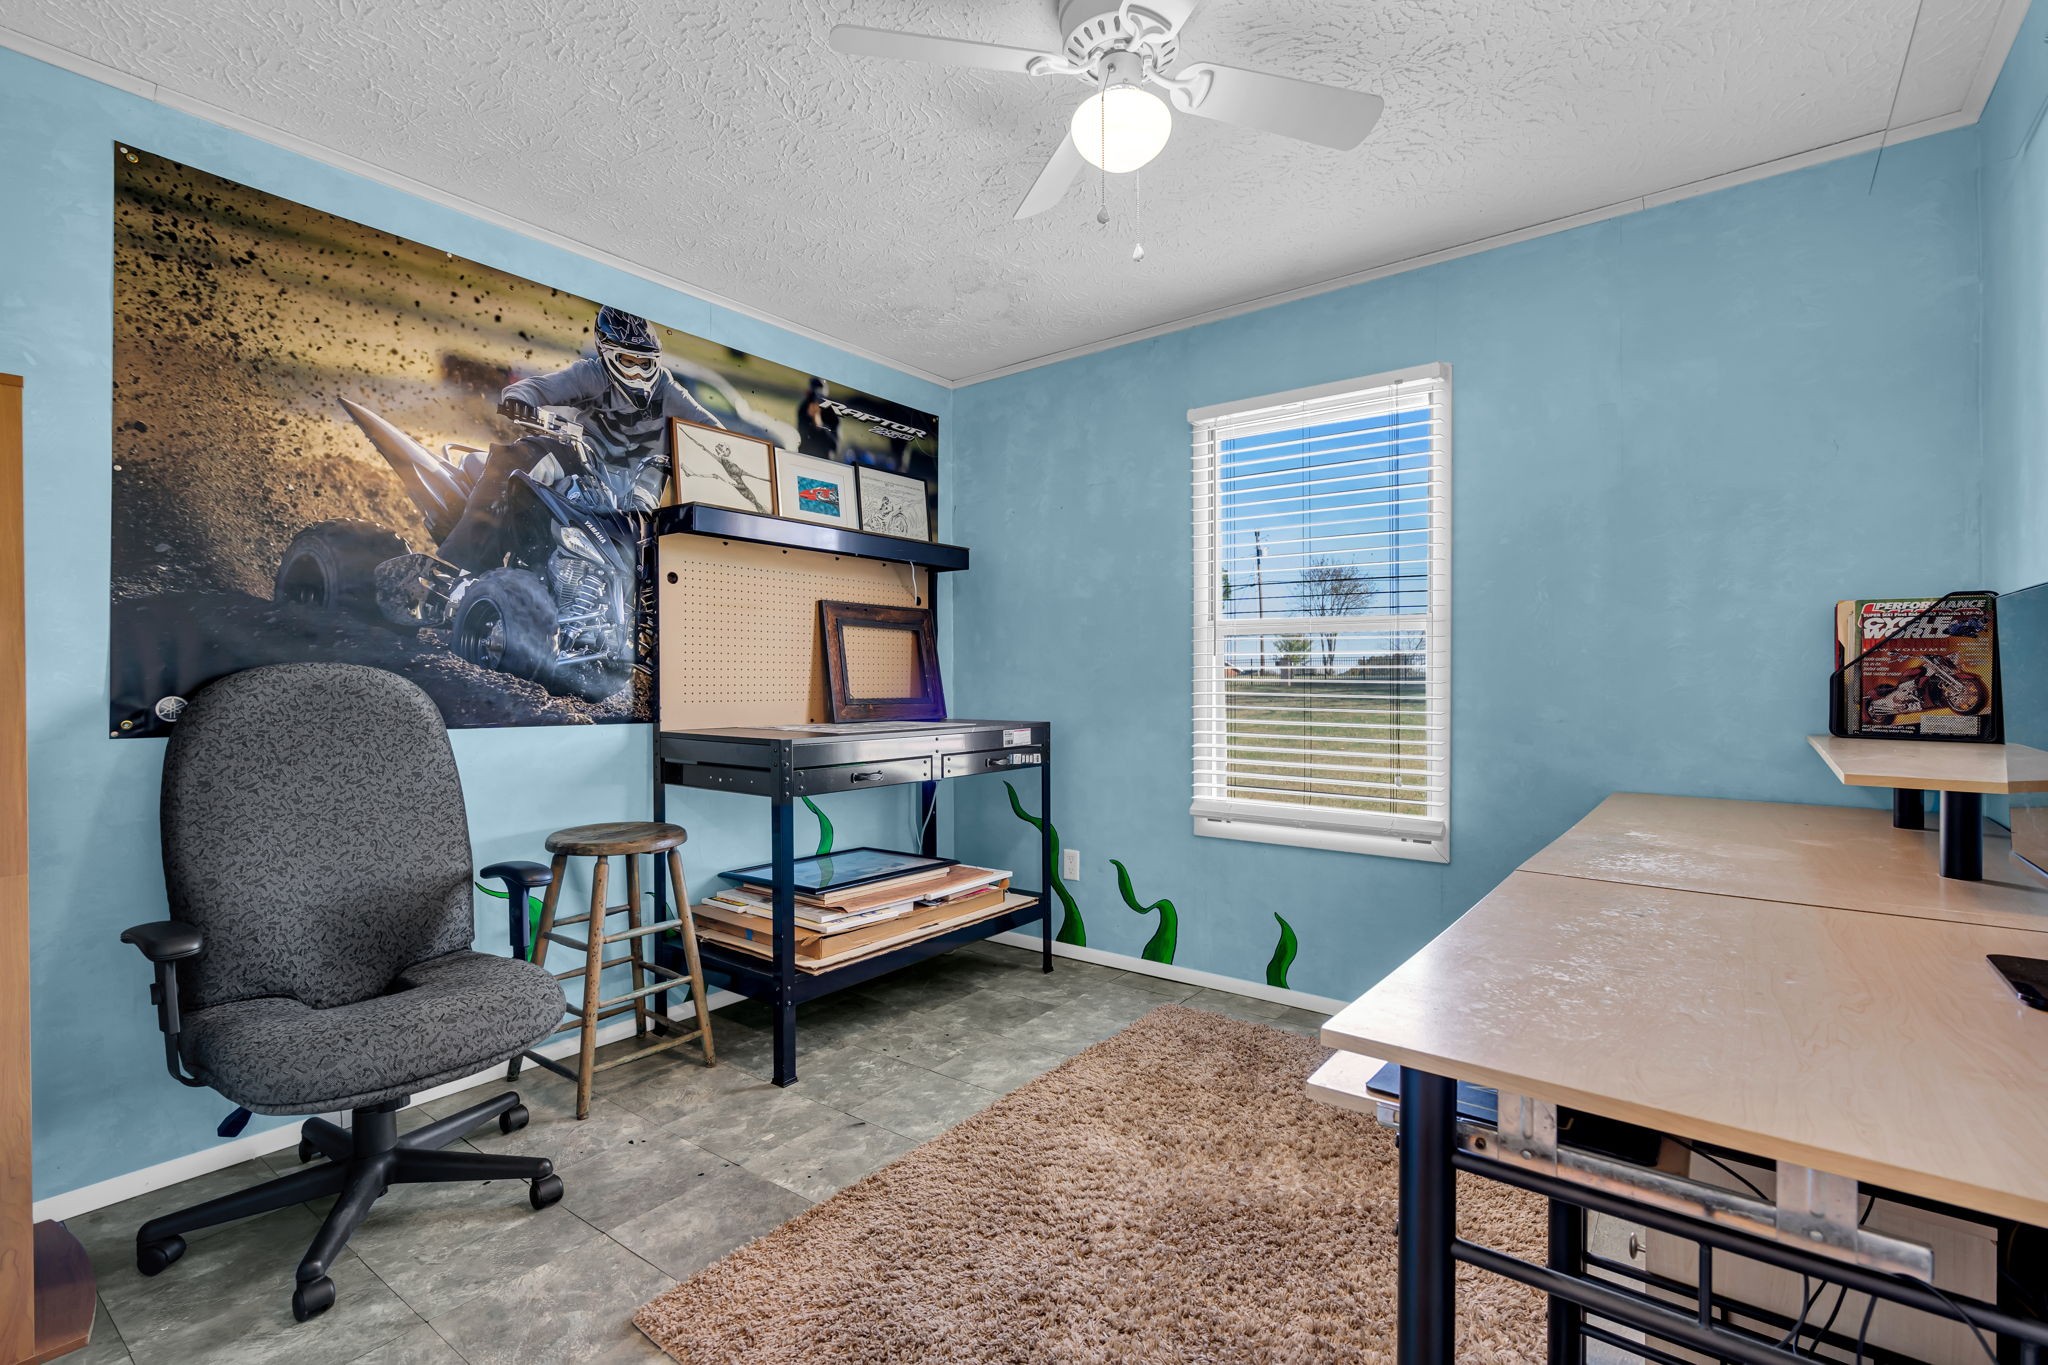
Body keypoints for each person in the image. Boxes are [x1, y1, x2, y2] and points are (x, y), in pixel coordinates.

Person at [439, 306, 720, 573]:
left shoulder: (667, 389)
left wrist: (727, 456)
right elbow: (538, 388)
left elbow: (713, 430)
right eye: (628, 361)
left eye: (644, 362)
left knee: (651, 549)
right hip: (583, 462)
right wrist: (518, 400)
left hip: (640, 483)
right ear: (607, 353)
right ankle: (465, 566)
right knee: (512, 460)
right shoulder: (591, 374)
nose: (637, 371)